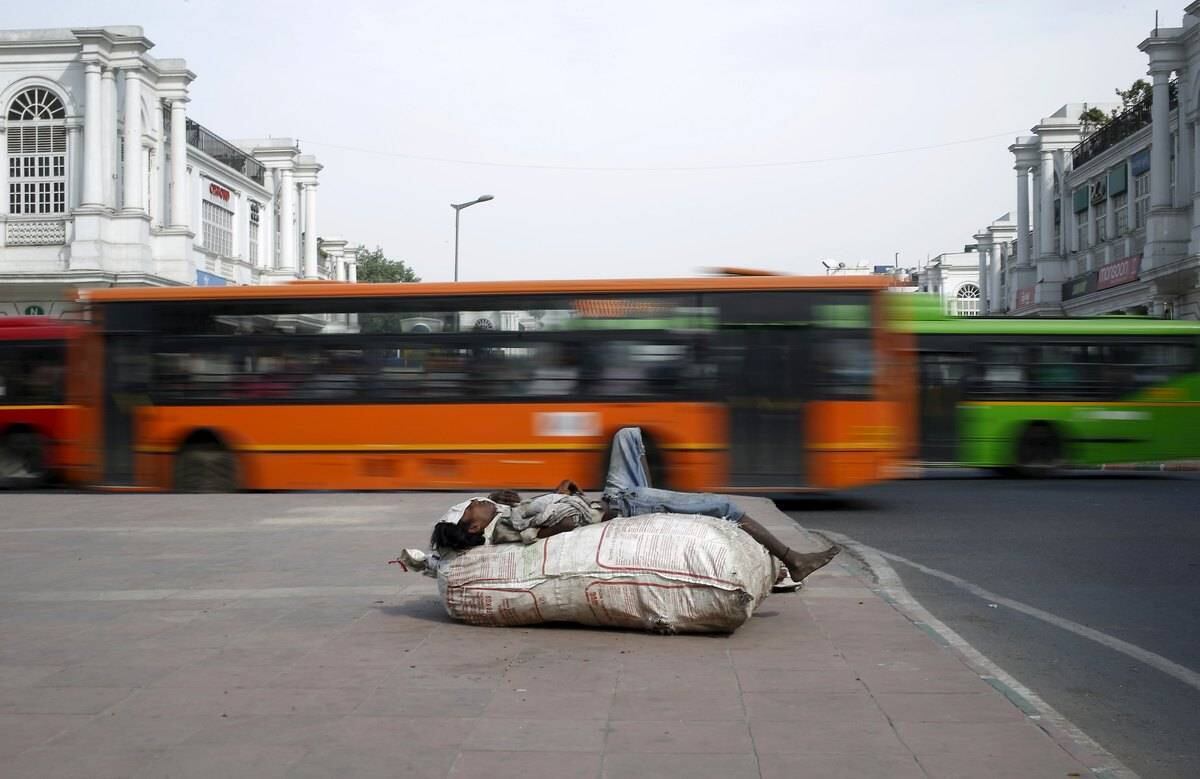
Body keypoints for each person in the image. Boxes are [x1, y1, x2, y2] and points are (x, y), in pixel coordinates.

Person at [428, 427, 840, 586]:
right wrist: (571, 505)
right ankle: (792, 559)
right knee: (722, 506)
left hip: (607, 499)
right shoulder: (505, 531)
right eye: (468, 511)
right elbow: (563, 531)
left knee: (627, 434)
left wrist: (563, 493)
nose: (475, 502)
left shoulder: (500, 515)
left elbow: (557, 513)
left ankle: (660, 502)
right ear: (469, 530)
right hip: (620, 507)